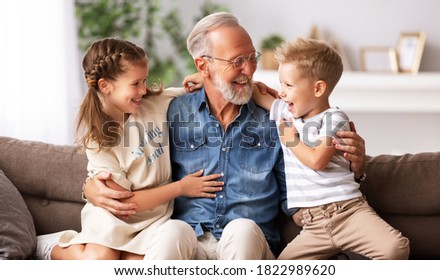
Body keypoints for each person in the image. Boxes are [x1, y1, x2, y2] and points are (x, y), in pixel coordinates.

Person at [84, 12, 367, 260]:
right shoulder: (172, 111)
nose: (249, 69)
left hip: (249, 244)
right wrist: (90, 186)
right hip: (189, 240)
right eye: (237, 61)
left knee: (240, 230)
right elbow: (127, 149)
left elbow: (302, 180)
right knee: (172, 232)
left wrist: (352, 168)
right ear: (203, 66)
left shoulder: (278, 119)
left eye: (252, 58)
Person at [34, 38, 224, 260]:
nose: (143, 90)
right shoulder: (99, 137)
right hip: (116, 215)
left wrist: (204, 77)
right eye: (135, 84)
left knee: (135, 265)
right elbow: (125, 203)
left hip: (154, 217)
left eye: (144, 80)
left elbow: (202, 88)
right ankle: (51, 248)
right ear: (105, 86)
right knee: (100, 259)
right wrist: (181, 188)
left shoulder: (156, 103)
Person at [253, 37, 410, 259]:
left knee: (395, 248)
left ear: (318, 88)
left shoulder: (334, 118)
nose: (281, 92)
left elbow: (317, 160)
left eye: (288, 85)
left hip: (348, 213)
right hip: (313, 225)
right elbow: (251, 91)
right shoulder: (285, 112)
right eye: (281, 84)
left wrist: (290, 139)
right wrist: (203, 78)